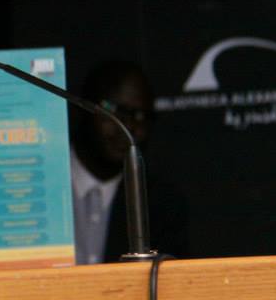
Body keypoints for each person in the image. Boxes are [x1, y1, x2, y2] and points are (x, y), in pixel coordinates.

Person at [69, 60, 188, 264]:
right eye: (114, 111)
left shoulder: (159, 202)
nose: (128, 126)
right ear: (84, 108)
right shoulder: (37, 180)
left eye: (140, 116)